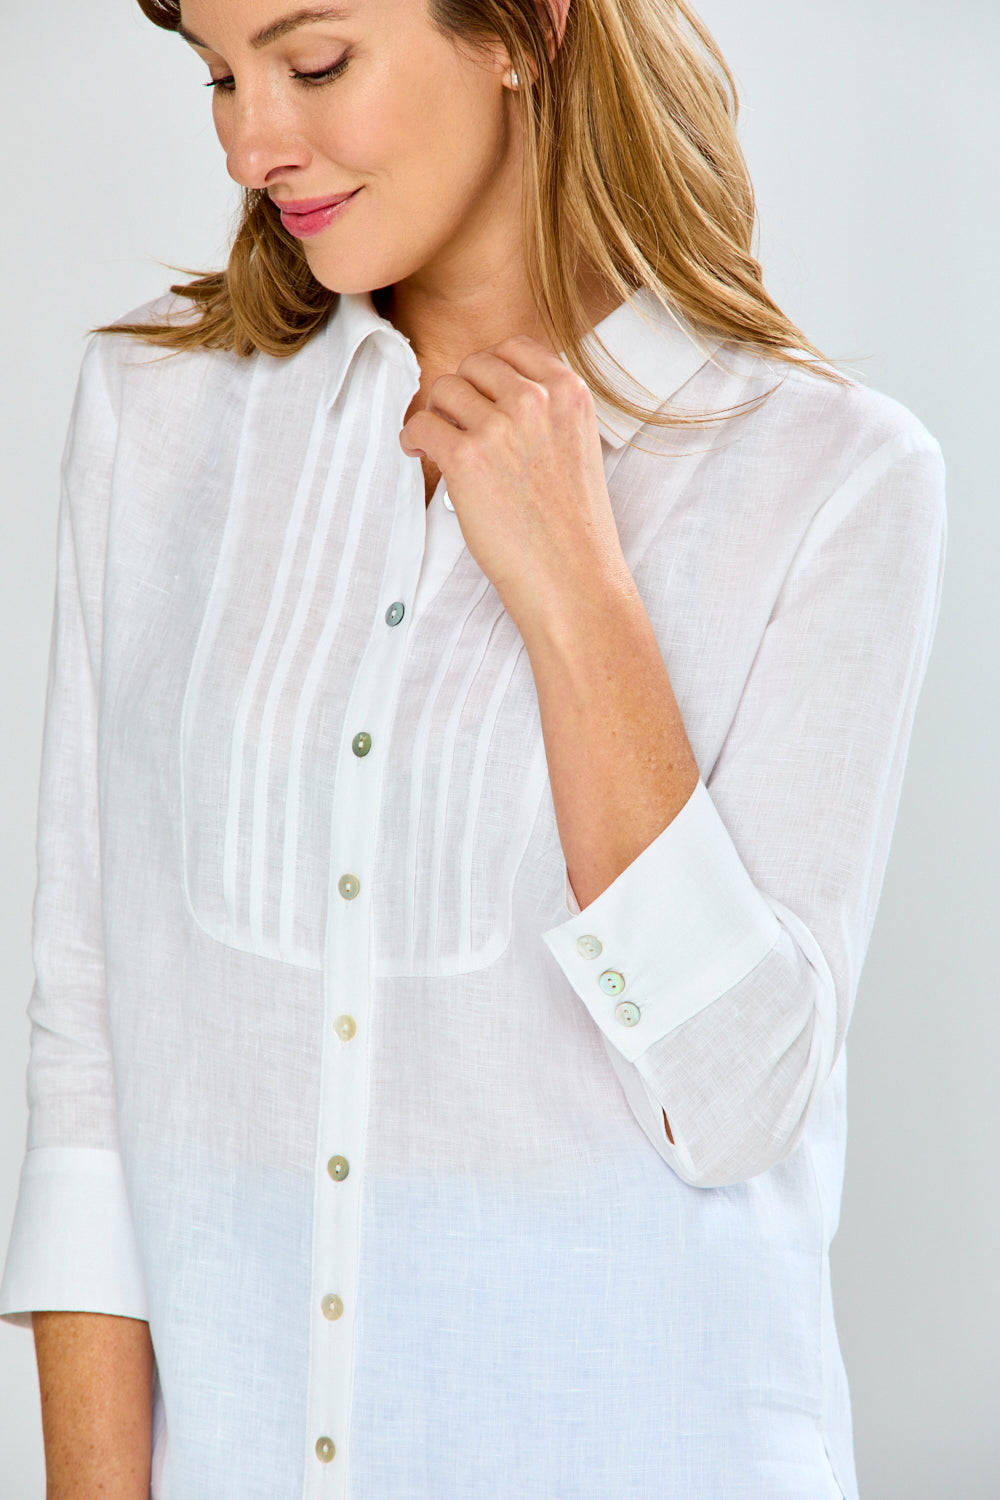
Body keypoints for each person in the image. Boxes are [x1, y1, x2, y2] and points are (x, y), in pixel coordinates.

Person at [0, 0, 945, 1496]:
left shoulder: (830, 479)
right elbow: (91, 1051)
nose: (253, 142)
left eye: (313, 64)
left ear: (524, 27)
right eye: (219, 77)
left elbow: (734, 1103)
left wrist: (578, 593)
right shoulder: (158, 422)